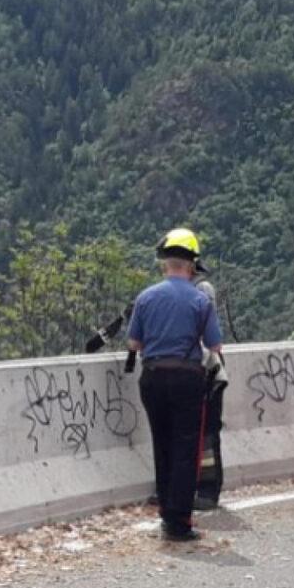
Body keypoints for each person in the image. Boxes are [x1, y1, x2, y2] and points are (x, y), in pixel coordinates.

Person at [125, 227, 223, 542]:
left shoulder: (145, 297)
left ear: (164, 263)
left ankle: (165, 507)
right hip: (186, 378)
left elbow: (134, 343)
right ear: (192, 265)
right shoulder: (200, 300)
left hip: (152, 378)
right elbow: (214, 345)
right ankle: (178, 520)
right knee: (185, 449)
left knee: (162, 444)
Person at [192, 258, 231, 511]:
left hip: (207, 371)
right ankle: (199, 489)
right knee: (198, 433)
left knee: (207, 433)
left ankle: (208, 490)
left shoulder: (201, 292)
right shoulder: (194, 292)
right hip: (197, 369)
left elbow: (211, 342)